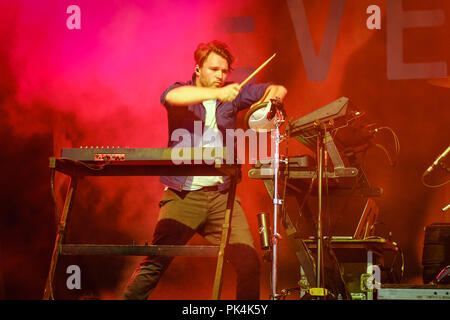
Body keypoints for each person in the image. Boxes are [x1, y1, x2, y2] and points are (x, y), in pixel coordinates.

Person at [123, 40, 287, 300]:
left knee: (249, 262)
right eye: (214, 70)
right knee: (156, 263)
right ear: (197, 69)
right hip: (184, 194)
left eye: (224, 71)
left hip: (222, 197)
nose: (221, 77)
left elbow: (278, 88)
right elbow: (171, 97)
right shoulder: (183, 91)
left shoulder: (235, 96)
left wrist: (267, 106)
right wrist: (217, 94)